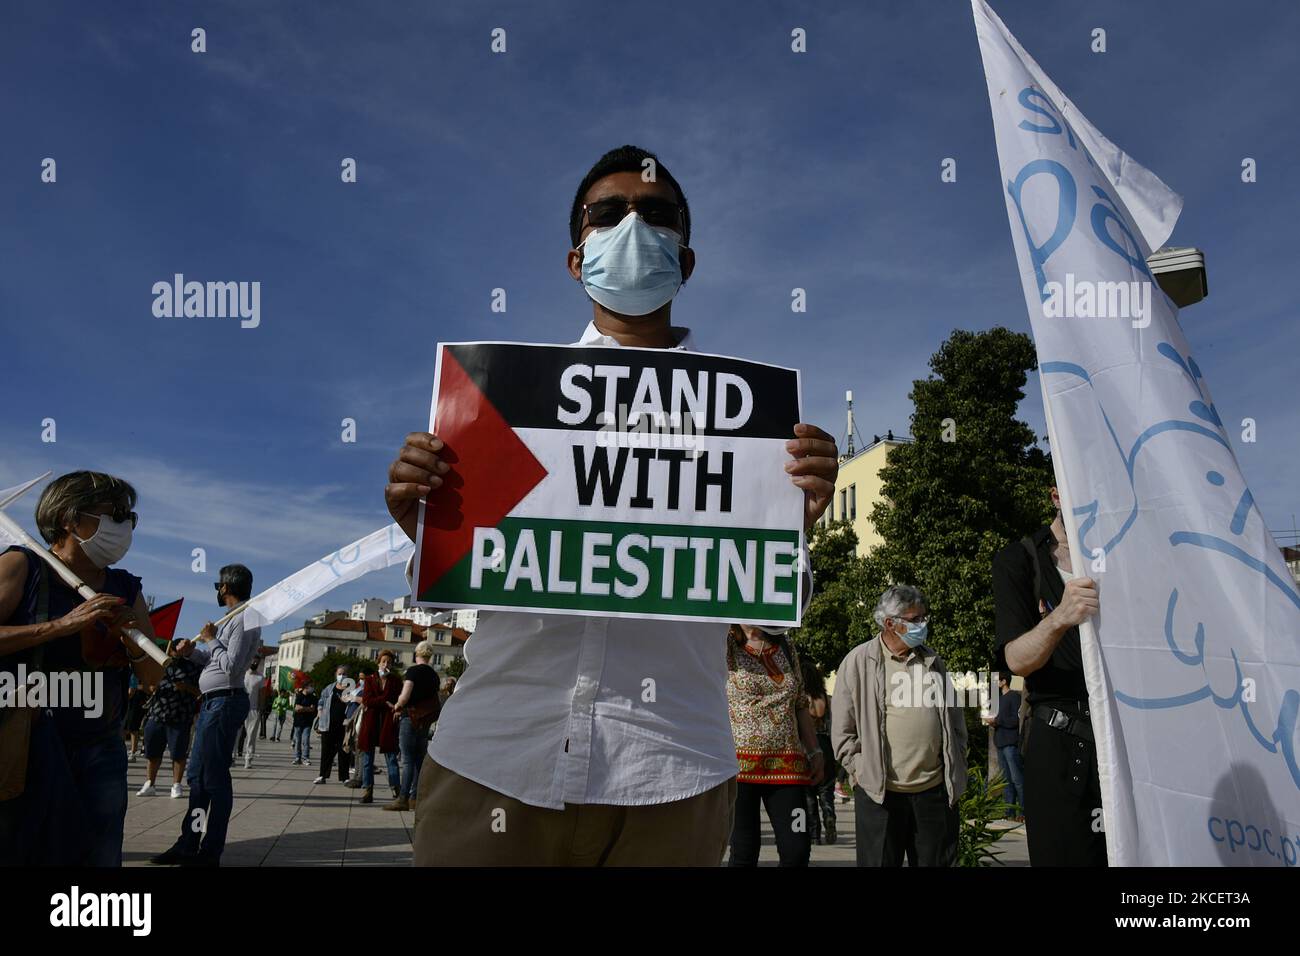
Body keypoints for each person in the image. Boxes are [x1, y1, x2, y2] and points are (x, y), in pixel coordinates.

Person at [384, 145, 837, 865]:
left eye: (657, 214)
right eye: (609, 212)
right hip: (495, 766)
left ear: (684, 261)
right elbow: (473, 584)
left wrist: (792, 525)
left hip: (672, 779)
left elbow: (764, 612)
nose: (633, 224)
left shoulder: (754, 432)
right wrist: (427, 526)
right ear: (576, 257)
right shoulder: (499, 407)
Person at [0, 471, 161, 866]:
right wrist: (63, 625)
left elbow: (153, 678)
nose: (124, 525)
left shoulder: (125, 586)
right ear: (70, 519)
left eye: (130, 517)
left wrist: (131, 641)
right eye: (114, 513)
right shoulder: (24, 566)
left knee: (99, 854)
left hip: (100, 742)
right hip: (28, 737)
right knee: (23, 848)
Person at [992, 486, 1105, 866]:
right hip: (1060, 742)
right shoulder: (1021, 558)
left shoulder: (1124, 557)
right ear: (1057, 495)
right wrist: (1060, 618)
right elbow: (1016, 660)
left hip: (1123, 740)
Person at [832, 585, 968, 867]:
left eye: (923, 618)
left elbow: (955, 720)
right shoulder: (858, 662)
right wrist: (860, 771)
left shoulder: (932, 661)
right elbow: (843, 733)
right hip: (880, 797)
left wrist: (957, 758)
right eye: (915, 619)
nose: (923, 625)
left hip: (933, 794)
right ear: (890, 623)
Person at [149, 564, 261, 866]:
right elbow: (212, 661)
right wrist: (191, 653)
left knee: (213, 780)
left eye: (219, 586)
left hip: (225, 702)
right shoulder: (231, 620)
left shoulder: (245, 618)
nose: (218, 591)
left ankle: (210, 851)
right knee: (198, 778)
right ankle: (189, 842)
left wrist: (211, 638)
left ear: (226, 587)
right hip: (212, 703)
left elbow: (233, 666)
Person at [725, 624, 822, 867]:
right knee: (744, 852)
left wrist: (815, 750)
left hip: (787, 767)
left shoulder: (786, 646)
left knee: (797, 847)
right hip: (738, 769)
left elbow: (800, 703)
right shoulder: (725, 643)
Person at [138, 649, 202, 798]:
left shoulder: (192, 667)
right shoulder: (158, 664)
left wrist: (186, 687)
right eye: (174, 650)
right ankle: (149, 783)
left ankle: (176, 785)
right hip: (157, 714)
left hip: (180, 716)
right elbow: (143, 685)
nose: (176, 653)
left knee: (178, 753)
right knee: (152, 751)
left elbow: (200, 692)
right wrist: (150, 687)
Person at [387, 642, 441, 812]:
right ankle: (414, 798)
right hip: (425, 720)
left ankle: (402, 798)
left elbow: (405, 696)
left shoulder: (412, 671)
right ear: (430, 655)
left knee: (408, 759)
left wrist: (396, 706)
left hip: (410, 718)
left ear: (416, 653)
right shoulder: (434, 675)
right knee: (419, 759)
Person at [357, 650, 401, 804]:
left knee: (391, 758)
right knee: (368, 759)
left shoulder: (395, 680)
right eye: (383, 661)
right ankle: (367, 790)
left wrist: (389, 703)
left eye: (389, 662)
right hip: (371, 722)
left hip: (388, 722)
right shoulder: (370, 680)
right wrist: (386, 702)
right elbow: (367, 700)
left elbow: (398, 700)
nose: (386, 664)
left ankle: (396, 788)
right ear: (378, 663)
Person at [802, 661, 838, 844]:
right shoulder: (825, 698)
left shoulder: (802, 699)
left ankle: (814, 833)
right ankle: (829, 814)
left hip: (807, 746)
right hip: (826, 744)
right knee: (826, 789)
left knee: (808, 792)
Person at [983, 673, 1024, 820]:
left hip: (1011, 743)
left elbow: (1016, 720)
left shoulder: (1014, 697)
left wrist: (998, 720)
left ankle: (1023, 812)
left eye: (997, 681)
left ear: (1004, 681)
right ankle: (1009, 812)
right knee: (1006, 780)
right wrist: (991, 720)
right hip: (1000, 743)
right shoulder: (998, 699)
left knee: (1017, 779)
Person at [314, 664, 354, 785]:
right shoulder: (329, 688)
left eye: (344, 674)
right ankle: (322, 775)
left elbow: (354, 704)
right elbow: (321, 701)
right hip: (328, 724)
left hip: (345, 725)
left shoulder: (351, 688)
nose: (341, 676)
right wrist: (320, 711)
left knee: (344, 751)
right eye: (339, 674)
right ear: (336, 675)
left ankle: (345, 777)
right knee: (326, 751)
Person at [237, 656, 265, 769]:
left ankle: (248, 759)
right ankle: (231, 757)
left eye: (257, 662)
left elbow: (262, 694)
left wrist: (261, 708)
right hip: (238, 707)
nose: (254, 663)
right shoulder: (242, 674)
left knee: (251, 736)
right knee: (235, 734)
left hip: (253, 709)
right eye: (253, 660)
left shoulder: (260, 677)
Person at [124, 676, 152, 761]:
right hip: (136, 701)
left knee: (133, 727)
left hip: (135, 701)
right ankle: (132, 751)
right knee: (129, 727)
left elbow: (131, 690)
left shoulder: (134, 673)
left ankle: (133, 752)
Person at [291, 683, 317, 765]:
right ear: (306, 687)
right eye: (311, 686)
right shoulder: (299, 696)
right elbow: (297, 708)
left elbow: (313, 709)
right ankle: (297, 757)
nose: (312, 688)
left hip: (308, 722)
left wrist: (303, 708)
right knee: (298, 741)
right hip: (298, 722)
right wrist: (307, 708)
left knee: (306, 741)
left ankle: (306, 758)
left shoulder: (313, 697)